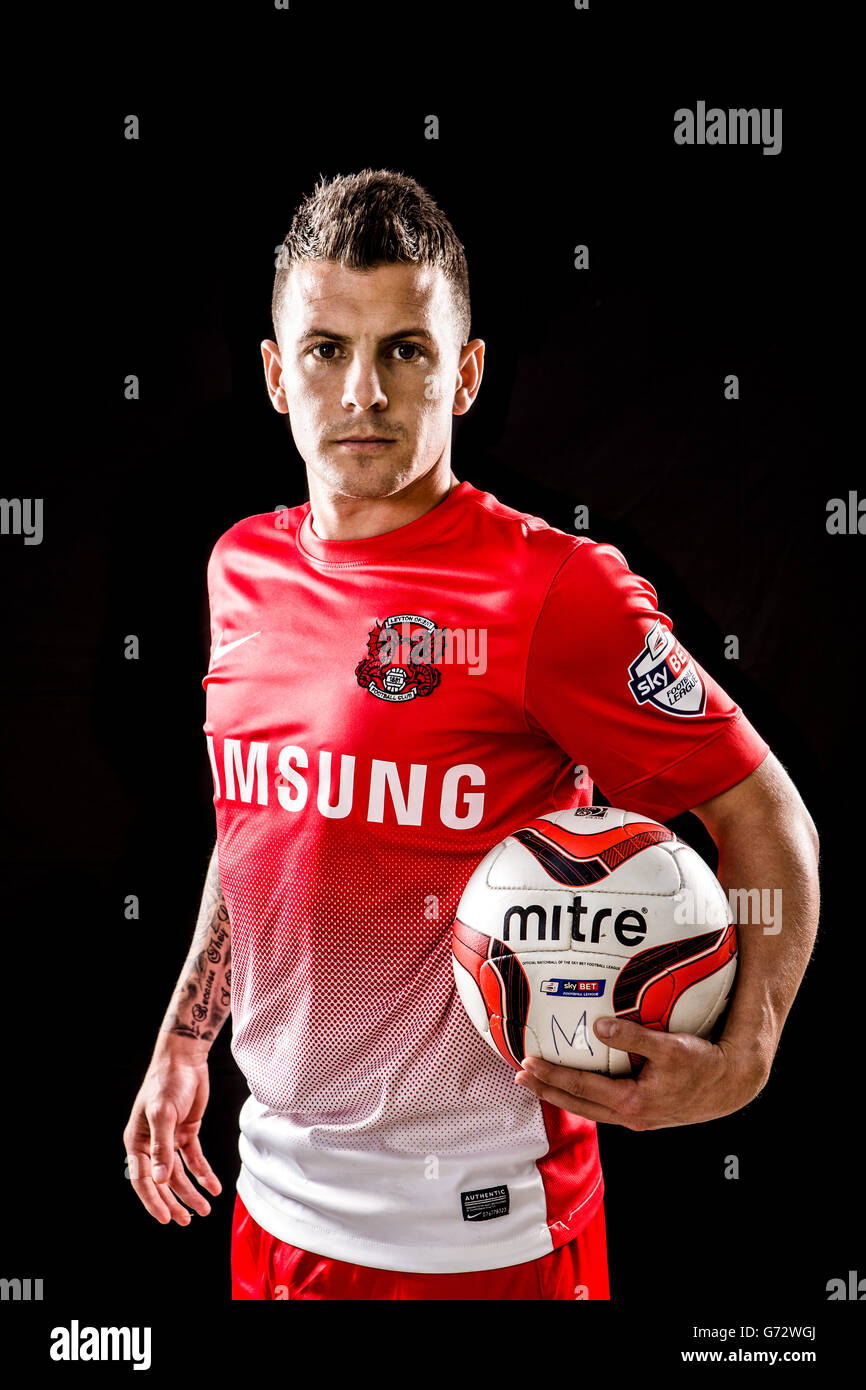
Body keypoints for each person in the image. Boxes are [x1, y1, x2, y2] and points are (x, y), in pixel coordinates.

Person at [123, 169, 820, 1301]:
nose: (362, 390)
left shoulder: (552, 592)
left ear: (465, 371)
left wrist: (743, 1055)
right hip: (269, 1208)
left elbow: (762, 815)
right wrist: (183, 1039)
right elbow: (259, 824)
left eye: (404, 348)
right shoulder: (239, 567)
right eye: (324, 349)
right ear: (272, 372)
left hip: (484, 1239)